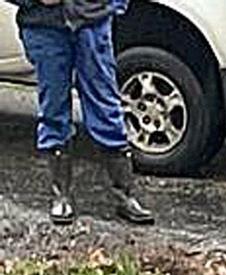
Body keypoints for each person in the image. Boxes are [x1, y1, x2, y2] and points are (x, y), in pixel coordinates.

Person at [11, 0, 153, 225]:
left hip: (92, 24)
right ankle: (61, 195)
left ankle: (125, 195)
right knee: (53, 110)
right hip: (43, 26)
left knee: (106, 107)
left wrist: (112, 6)